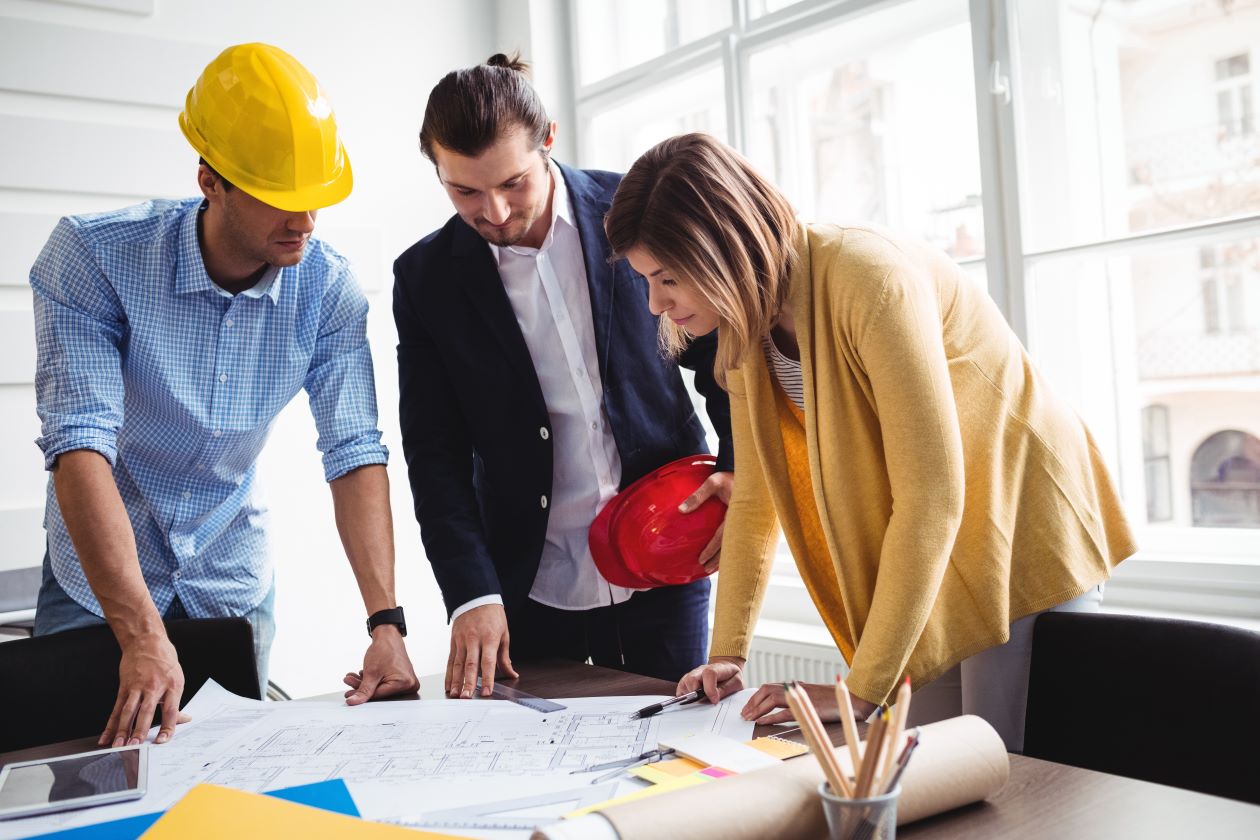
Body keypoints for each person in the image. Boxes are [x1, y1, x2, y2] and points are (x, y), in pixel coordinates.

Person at [604, 132, 1137, 751]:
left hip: (1020, 533)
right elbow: (754, 499)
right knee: (916, 772)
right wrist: (727, 656)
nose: (653, 304)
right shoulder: (744, 328)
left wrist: (860, 690)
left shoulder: (869, 279)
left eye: (667, 278)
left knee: (996, 769)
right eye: (646, 280)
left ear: (721, 248)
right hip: (930, 553)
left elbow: (932, 497)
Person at [29, 43, 418, 748]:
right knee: (79, 781)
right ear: (211, 180)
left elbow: (355, 449)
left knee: (228, 792)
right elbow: (79, 444)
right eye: (279, 195)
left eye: (315, 197)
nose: (303, 220)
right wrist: (141, 633)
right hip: (102, 590)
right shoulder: (92, 259)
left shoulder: (326, 288)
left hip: (229, 576)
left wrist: (386, 624)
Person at [393, 55, 734, 697]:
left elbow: (726, 355)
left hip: (666, 554)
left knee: (672, 762)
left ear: (548, 138)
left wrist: (736, 465)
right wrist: (470, 594)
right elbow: (433, 456)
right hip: (526, 585)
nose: (493, 211)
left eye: (513, 183)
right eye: (464, 191)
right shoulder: (425, 279)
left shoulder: (635, 213)